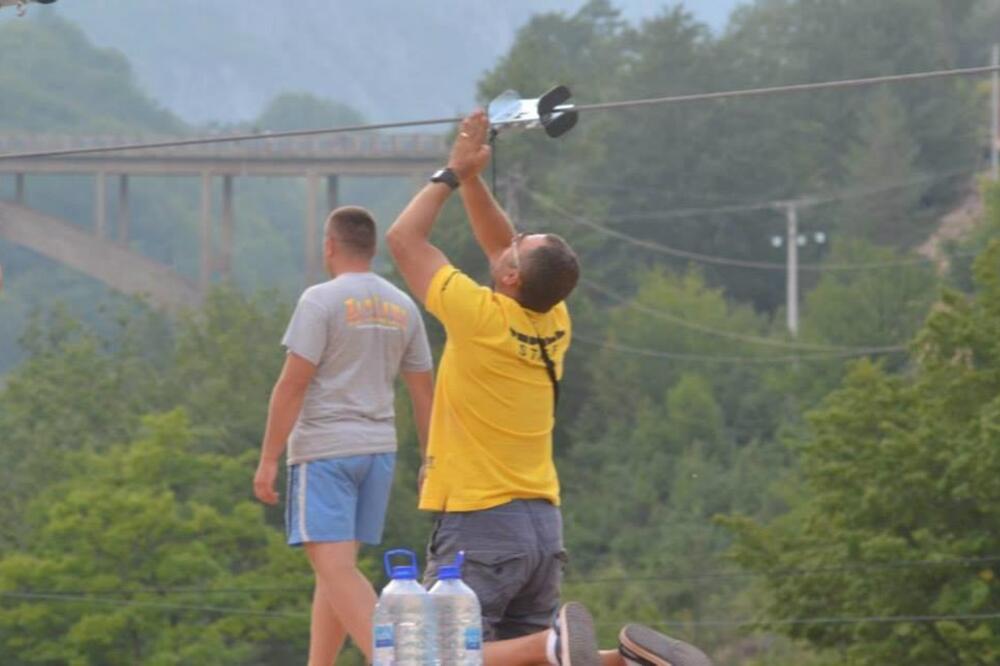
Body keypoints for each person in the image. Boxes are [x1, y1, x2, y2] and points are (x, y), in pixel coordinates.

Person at [386, 110, 713, 666]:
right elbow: (502, 245)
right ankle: (622, 659)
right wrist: (473, 177)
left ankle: (553, 643)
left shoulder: (480, 317)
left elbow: (402, 239)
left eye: (515, 250)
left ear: (511, 277)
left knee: (435, 653)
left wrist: (449, 172)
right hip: (540, 525)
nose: (507, 243)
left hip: (480, 520)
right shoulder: (553, 321)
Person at [253, 205, 434, 666]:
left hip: (325, 451)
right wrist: (431, 459)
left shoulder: (320, 300)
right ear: (371, 249)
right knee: (333, 572)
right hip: (378, 452)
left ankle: (396, 657)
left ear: (329, 246)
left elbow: (292, 383)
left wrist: (269, 457)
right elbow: (423, 392)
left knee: (334, 569)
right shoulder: (402, 305)